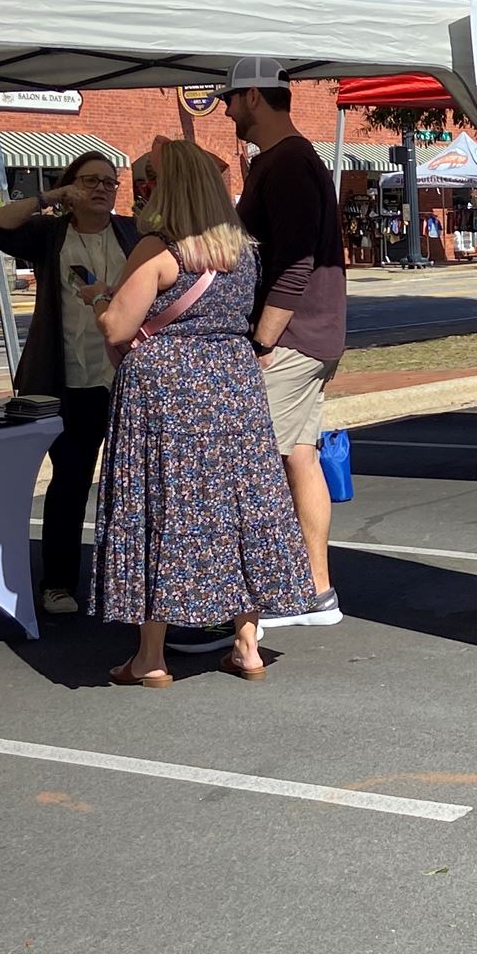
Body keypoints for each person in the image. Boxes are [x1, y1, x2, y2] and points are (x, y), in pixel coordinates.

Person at [91, 138, 316, 685]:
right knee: (238, 503)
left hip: (167, 388)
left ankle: (150, 657)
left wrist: (99, 301)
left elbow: (118, 328)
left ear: (167, 189)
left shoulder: (157, 249)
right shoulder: (241, 251)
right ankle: (247, 645)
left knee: (162, 506)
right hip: (232, 383)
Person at [0, 151, 141, 615]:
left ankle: (126, 579)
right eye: (90, 181)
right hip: (71, 379)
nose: (102, 189)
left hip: (128, 376)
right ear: (70, 189)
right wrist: (48, 198)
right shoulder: (50, 235)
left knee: (133, 481)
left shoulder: (131, 232)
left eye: (110, 182)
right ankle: (59, 583)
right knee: (70, 480)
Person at [226, 57, 348, 628]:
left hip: (293, 338)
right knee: (299, 456)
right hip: (309, 336)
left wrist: (263, 340)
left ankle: (279, 593)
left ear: (253, 96)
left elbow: (296, 260)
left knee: (258, 464)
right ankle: (315, 590)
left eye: (229, 99)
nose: (225, 110)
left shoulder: (289, 161)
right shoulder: (282, 161)